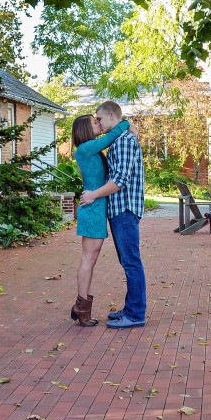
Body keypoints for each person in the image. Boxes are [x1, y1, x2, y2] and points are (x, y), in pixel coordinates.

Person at [79, 101, 146, 329]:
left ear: (110, 115)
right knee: (127, 261)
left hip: (125, 209)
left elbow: (119, 181)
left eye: (99, 119)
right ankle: (130, 309)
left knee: (131, 262)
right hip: (119, 209)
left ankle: (136, 314)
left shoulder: (125, 141)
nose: (97, 123)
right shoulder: (118, 140)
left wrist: (93, 195)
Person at [70, 114, 130, 326]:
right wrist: (125, 122)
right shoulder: (85, 148)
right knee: (89, 258)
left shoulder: (91, 150)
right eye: (94, 123)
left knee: (91, 258)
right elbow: (112, 135)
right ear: (84, 129)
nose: (98, 124)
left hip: (96, 207)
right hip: (92, 209)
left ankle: (81, 306)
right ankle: (81, 307)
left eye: (99, 121)